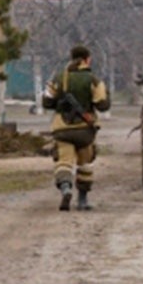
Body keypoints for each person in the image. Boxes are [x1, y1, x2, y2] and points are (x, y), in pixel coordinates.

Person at [40, 45, 110, 211]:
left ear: (71, 58)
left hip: (62, 129)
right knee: (85, 164)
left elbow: (46, 102)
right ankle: (82, 200)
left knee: (64, 162)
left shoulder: (59, 78)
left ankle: (65, 188)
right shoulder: (93, 79)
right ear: (87, 59)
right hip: (85, 130)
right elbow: (102, 105)